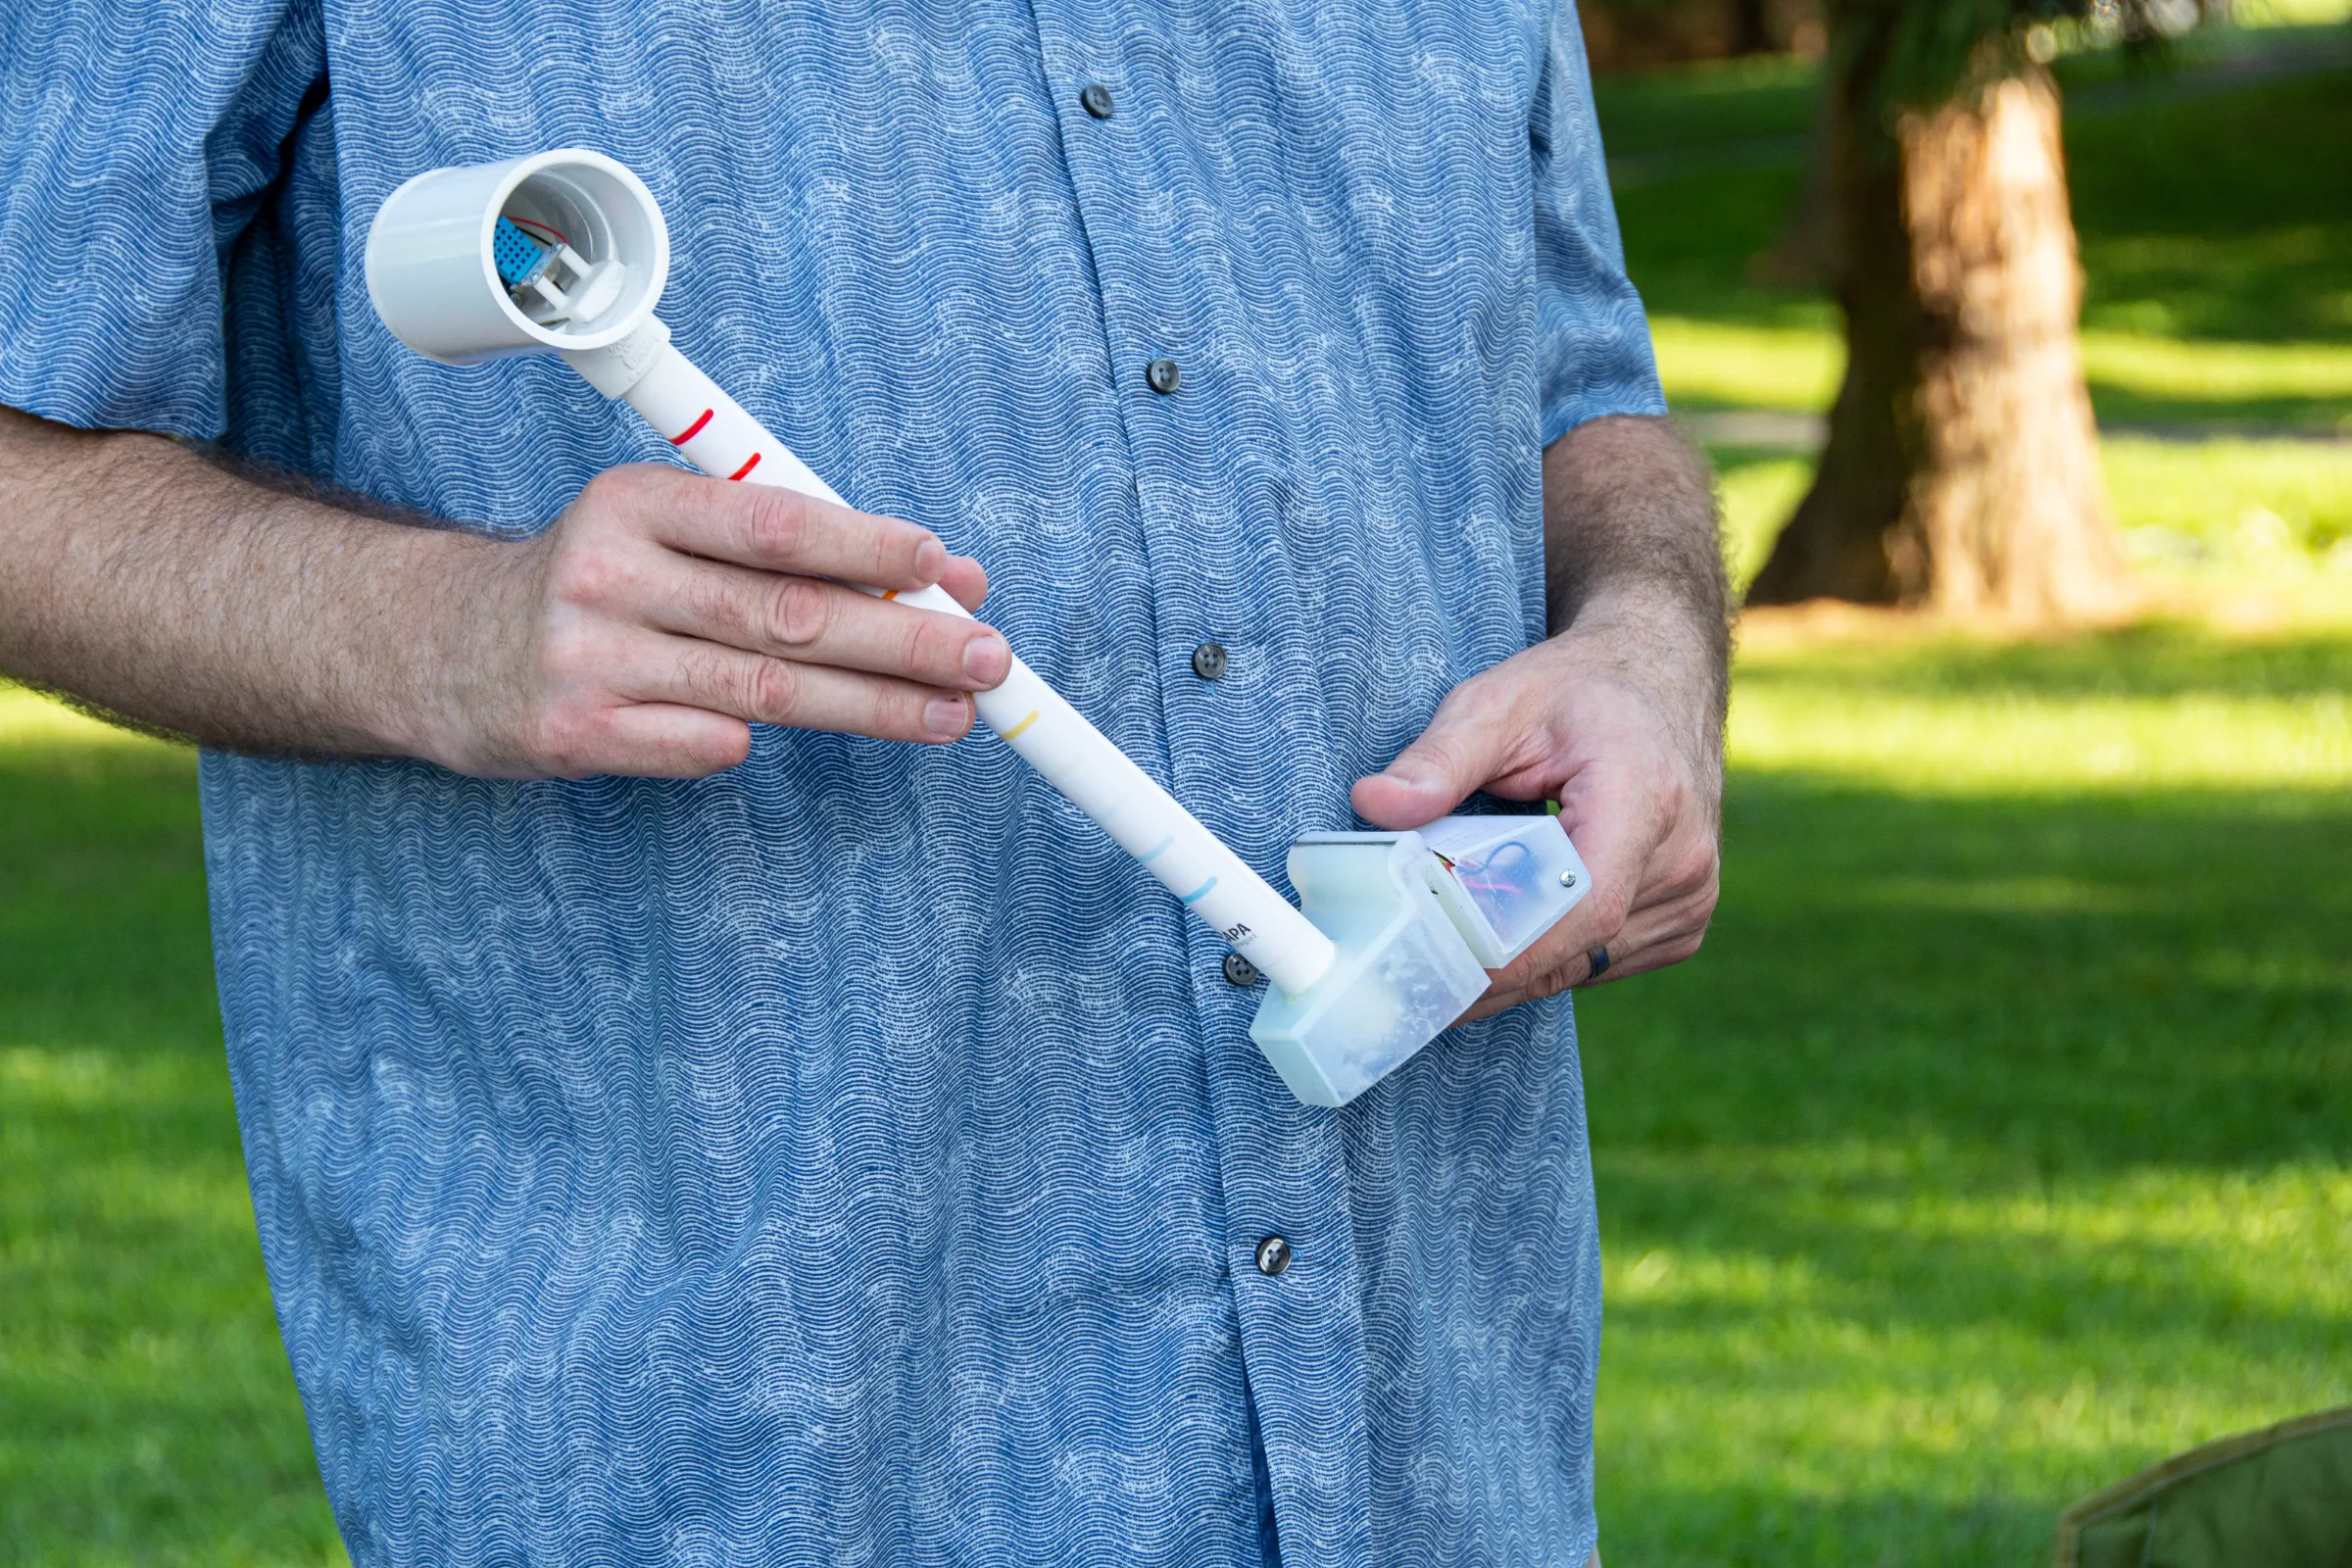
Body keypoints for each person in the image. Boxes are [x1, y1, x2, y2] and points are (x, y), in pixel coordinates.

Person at [0, 0, 1725, 1562]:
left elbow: (1583, 381)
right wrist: (444, 628)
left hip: (1436, 1421)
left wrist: (1648, 632)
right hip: (739, 1430)